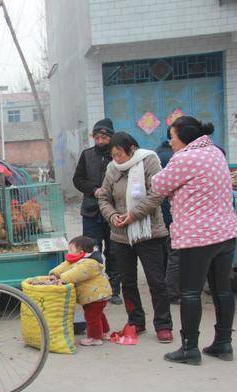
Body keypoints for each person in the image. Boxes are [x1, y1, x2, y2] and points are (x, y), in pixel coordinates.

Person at [152, 116, 237, 365]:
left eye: (172, 136)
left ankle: (190, 348)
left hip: (197, 236)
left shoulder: (185, 158)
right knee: (222, 290)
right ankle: (223, 343)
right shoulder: (215, 153)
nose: (170, 142)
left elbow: (158, 184)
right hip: (225, 233)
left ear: (184, 137)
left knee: (190, 292)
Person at [96, 132, 173, 343]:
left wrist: (133, 215)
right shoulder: (112, 169)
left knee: (156, 280)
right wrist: (112, 216)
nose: (117, 159)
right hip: (121, 235)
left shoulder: (149, 161)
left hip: (149, 232)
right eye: (113, 156)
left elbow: (157, 193)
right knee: (127, 281)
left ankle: (164, 325)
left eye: (119, 154)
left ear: (131, 149)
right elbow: (103, 196)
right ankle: (136, 320)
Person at [73, 118, 122, 305]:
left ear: (111, 137)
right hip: (91, 211)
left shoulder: (118, 156)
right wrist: (94, 189)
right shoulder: (87, 155)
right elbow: (78, 180)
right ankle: (94, 289)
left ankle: (114, 289)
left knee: (114, 251)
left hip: (113, 212)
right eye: (97, 137)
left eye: (104, 137)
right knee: (92, 251)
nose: (100, 141)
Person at [49, 236, 112, 346]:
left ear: (81, 252)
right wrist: (54, 273)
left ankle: (95, 338)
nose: (70, 253)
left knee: (91, 317)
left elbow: (75, 274)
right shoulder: (78, 259)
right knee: (98, 315)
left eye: (71, 250)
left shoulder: (89, 264)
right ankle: (104, 332)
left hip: (96, 296)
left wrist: (61, 279)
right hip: (93, 296)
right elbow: (65, 265)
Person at [155, 128, 180, 304]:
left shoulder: (157, 153)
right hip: (173, 209)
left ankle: (165, 283)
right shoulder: (175, 157)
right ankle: (172, 291)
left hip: (161, 208)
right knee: (175, 252)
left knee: (166, 248)